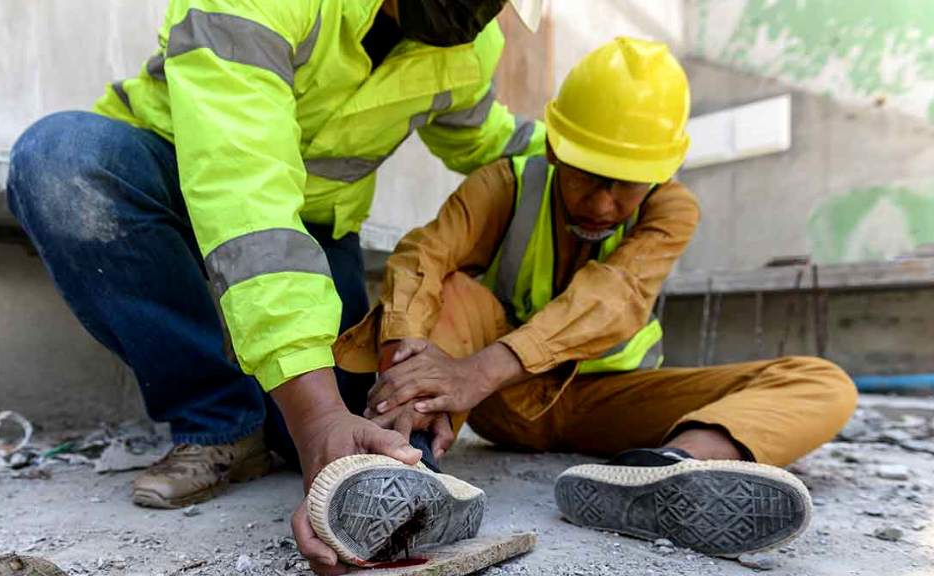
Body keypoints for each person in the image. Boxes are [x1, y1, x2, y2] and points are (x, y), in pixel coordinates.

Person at [5, 0, 544, 571]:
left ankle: (281, 431)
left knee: (341, 426)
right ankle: (219, 422)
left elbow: (484, 137)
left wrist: (597, 161)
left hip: (314, 226)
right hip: (176, 174)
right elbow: (244, 188)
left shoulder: (469, 42)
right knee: (63, 164)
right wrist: (315, 416)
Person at [335, 37, 859, 558]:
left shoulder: (671, 209)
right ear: (555, 147)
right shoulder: (504, 185)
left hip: (604, 401)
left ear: (660, 173)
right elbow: (420, 258)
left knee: (822, 381)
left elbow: (613, 295)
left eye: (627, 184)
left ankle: (667, 471)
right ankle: (408, 465)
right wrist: (404, 369)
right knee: (443, 288)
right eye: (588, 175)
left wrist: (478, 370)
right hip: (493, 402)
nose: (604, 204)